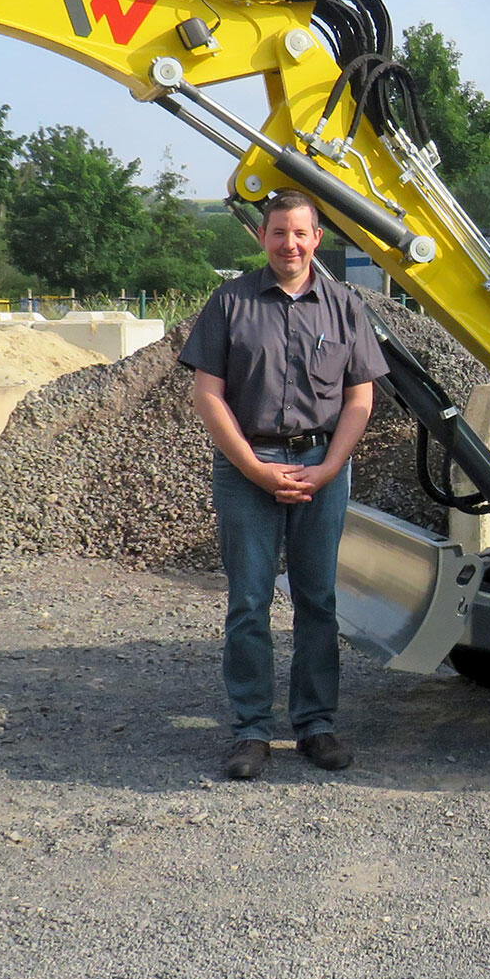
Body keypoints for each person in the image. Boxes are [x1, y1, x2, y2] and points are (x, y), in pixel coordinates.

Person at [178, 190, 389, 781]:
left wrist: (327, 469)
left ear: (317, 238)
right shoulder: (229, 302)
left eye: (300, 234)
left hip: (323, 464)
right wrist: (252, 467)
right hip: (248, 468)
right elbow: (208, 394)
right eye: (278, 233)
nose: (289, 244)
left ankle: (316, 726)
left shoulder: (344, 305)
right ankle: (251, 731)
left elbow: (359, 397)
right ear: (262, 237)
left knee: (317, 600)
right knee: (248, 602)